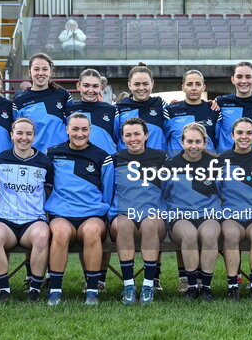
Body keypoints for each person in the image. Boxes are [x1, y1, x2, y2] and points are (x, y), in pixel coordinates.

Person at [45, 113, 115, 305]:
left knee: (92, 232)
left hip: (92, 214)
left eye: (84, 129)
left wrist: (105, 215)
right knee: (59, 232)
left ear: (90, 131)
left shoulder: (103, 157)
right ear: (67, 130)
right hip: (62, 213)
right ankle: (55, 290)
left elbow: (108, 190)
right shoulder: (52, 153)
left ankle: (92, 290)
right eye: (75, 129)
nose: (79, 133)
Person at [0, 118, 53, 303]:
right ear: (11, 135)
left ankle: (34, 290)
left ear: (34, 136)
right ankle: (4, 290)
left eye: (28, 134)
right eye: (20, 133)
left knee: (41, 236)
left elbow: (48, 190)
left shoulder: (44, 162)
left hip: (33, 220)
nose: (24, 138)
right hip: (5, 220)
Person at [109, 118, 168, 304]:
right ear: (122, 137)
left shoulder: (161, 158)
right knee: (123, 223)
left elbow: (169, 189)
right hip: (123, 216)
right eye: (128, 135)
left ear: (146, 135)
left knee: (149, 223)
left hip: (153, 217)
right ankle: (128, 285)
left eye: (137, 134)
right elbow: (107, 190)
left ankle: (148, 285)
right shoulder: (115, 159)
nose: (133, 138)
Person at [163, 123, 222, 301]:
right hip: (181, 216)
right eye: (189, 141)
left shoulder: (215, 164)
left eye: (198, 141)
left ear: (204, 143)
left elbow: (223, 192)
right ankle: (191, 287)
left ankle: (206, 287)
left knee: (210, 235)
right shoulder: (171, 164)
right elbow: (164, 193)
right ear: (181, 142)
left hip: (208, 214)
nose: (193, 146)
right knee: (189, 235)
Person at [218, 118, 252, 300]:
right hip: (232, 214)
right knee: (231, 236)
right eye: (240, 133)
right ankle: (233, 285)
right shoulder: (222, 159)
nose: (244, 137)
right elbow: (218, 190)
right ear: (232, 135)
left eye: (249, 133)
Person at [14, 53, 71, 153]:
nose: (41, 73)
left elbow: (72, 126)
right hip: (34, 157)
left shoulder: (63, 95)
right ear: (30, 72)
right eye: (36, 69)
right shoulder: (20, 101)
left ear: (50, 71)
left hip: (61, 155)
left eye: (45, 69)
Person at [215, 61, 252, 151]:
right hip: (227, 161)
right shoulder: (220, 102)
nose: (244, 81)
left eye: (248, 77)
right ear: (232, 79)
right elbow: (213, 133)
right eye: (239, 77)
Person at [114, 64, 168, 151]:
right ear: (129, 85)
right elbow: (115, 137)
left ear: (152, 84)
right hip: (128, 162)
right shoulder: (119, 108)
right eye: (137, 84)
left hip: (156, 161)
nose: (141, 88)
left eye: (145, 84)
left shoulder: (160, 104)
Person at [165, 69, 219, 155]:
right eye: (189, 84)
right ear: (183, 87)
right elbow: (164, 139)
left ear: (203, 87)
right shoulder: (170, 111)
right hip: (178, 166)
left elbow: (219, 140)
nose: (194, 88)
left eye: (198, 84)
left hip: (206, 165)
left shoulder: (214, 110)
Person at [67, 68, 117, 154]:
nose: (90, 90)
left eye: (95, 86)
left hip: (106, 163)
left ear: (101, 87)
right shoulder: (69, 109)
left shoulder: (111, 110)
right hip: (80, 161)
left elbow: (119, 138)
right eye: (86, 85)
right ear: (78, 86)